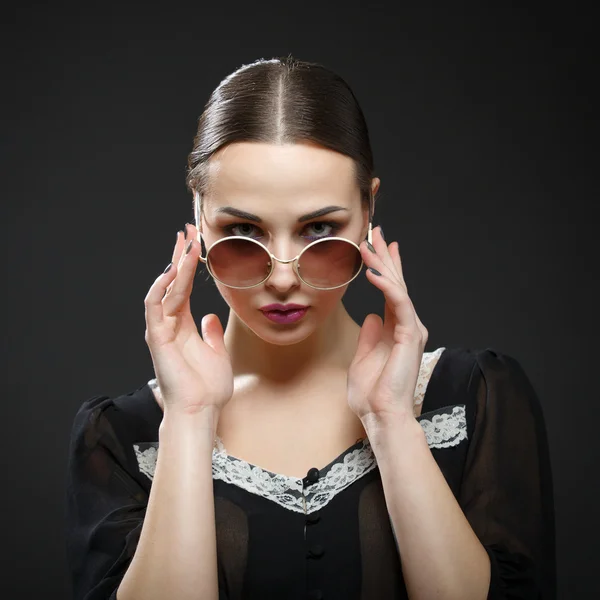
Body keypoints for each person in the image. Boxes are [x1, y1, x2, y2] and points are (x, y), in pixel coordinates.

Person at [65, 56, 556, 600]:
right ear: (198, 218)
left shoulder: (473, 397)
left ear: (368, 208)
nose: (281, 277)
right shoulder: (120, 437)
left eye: (319, 228)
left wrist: (391, 421)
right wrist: (190, 417)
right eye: (243, 229)